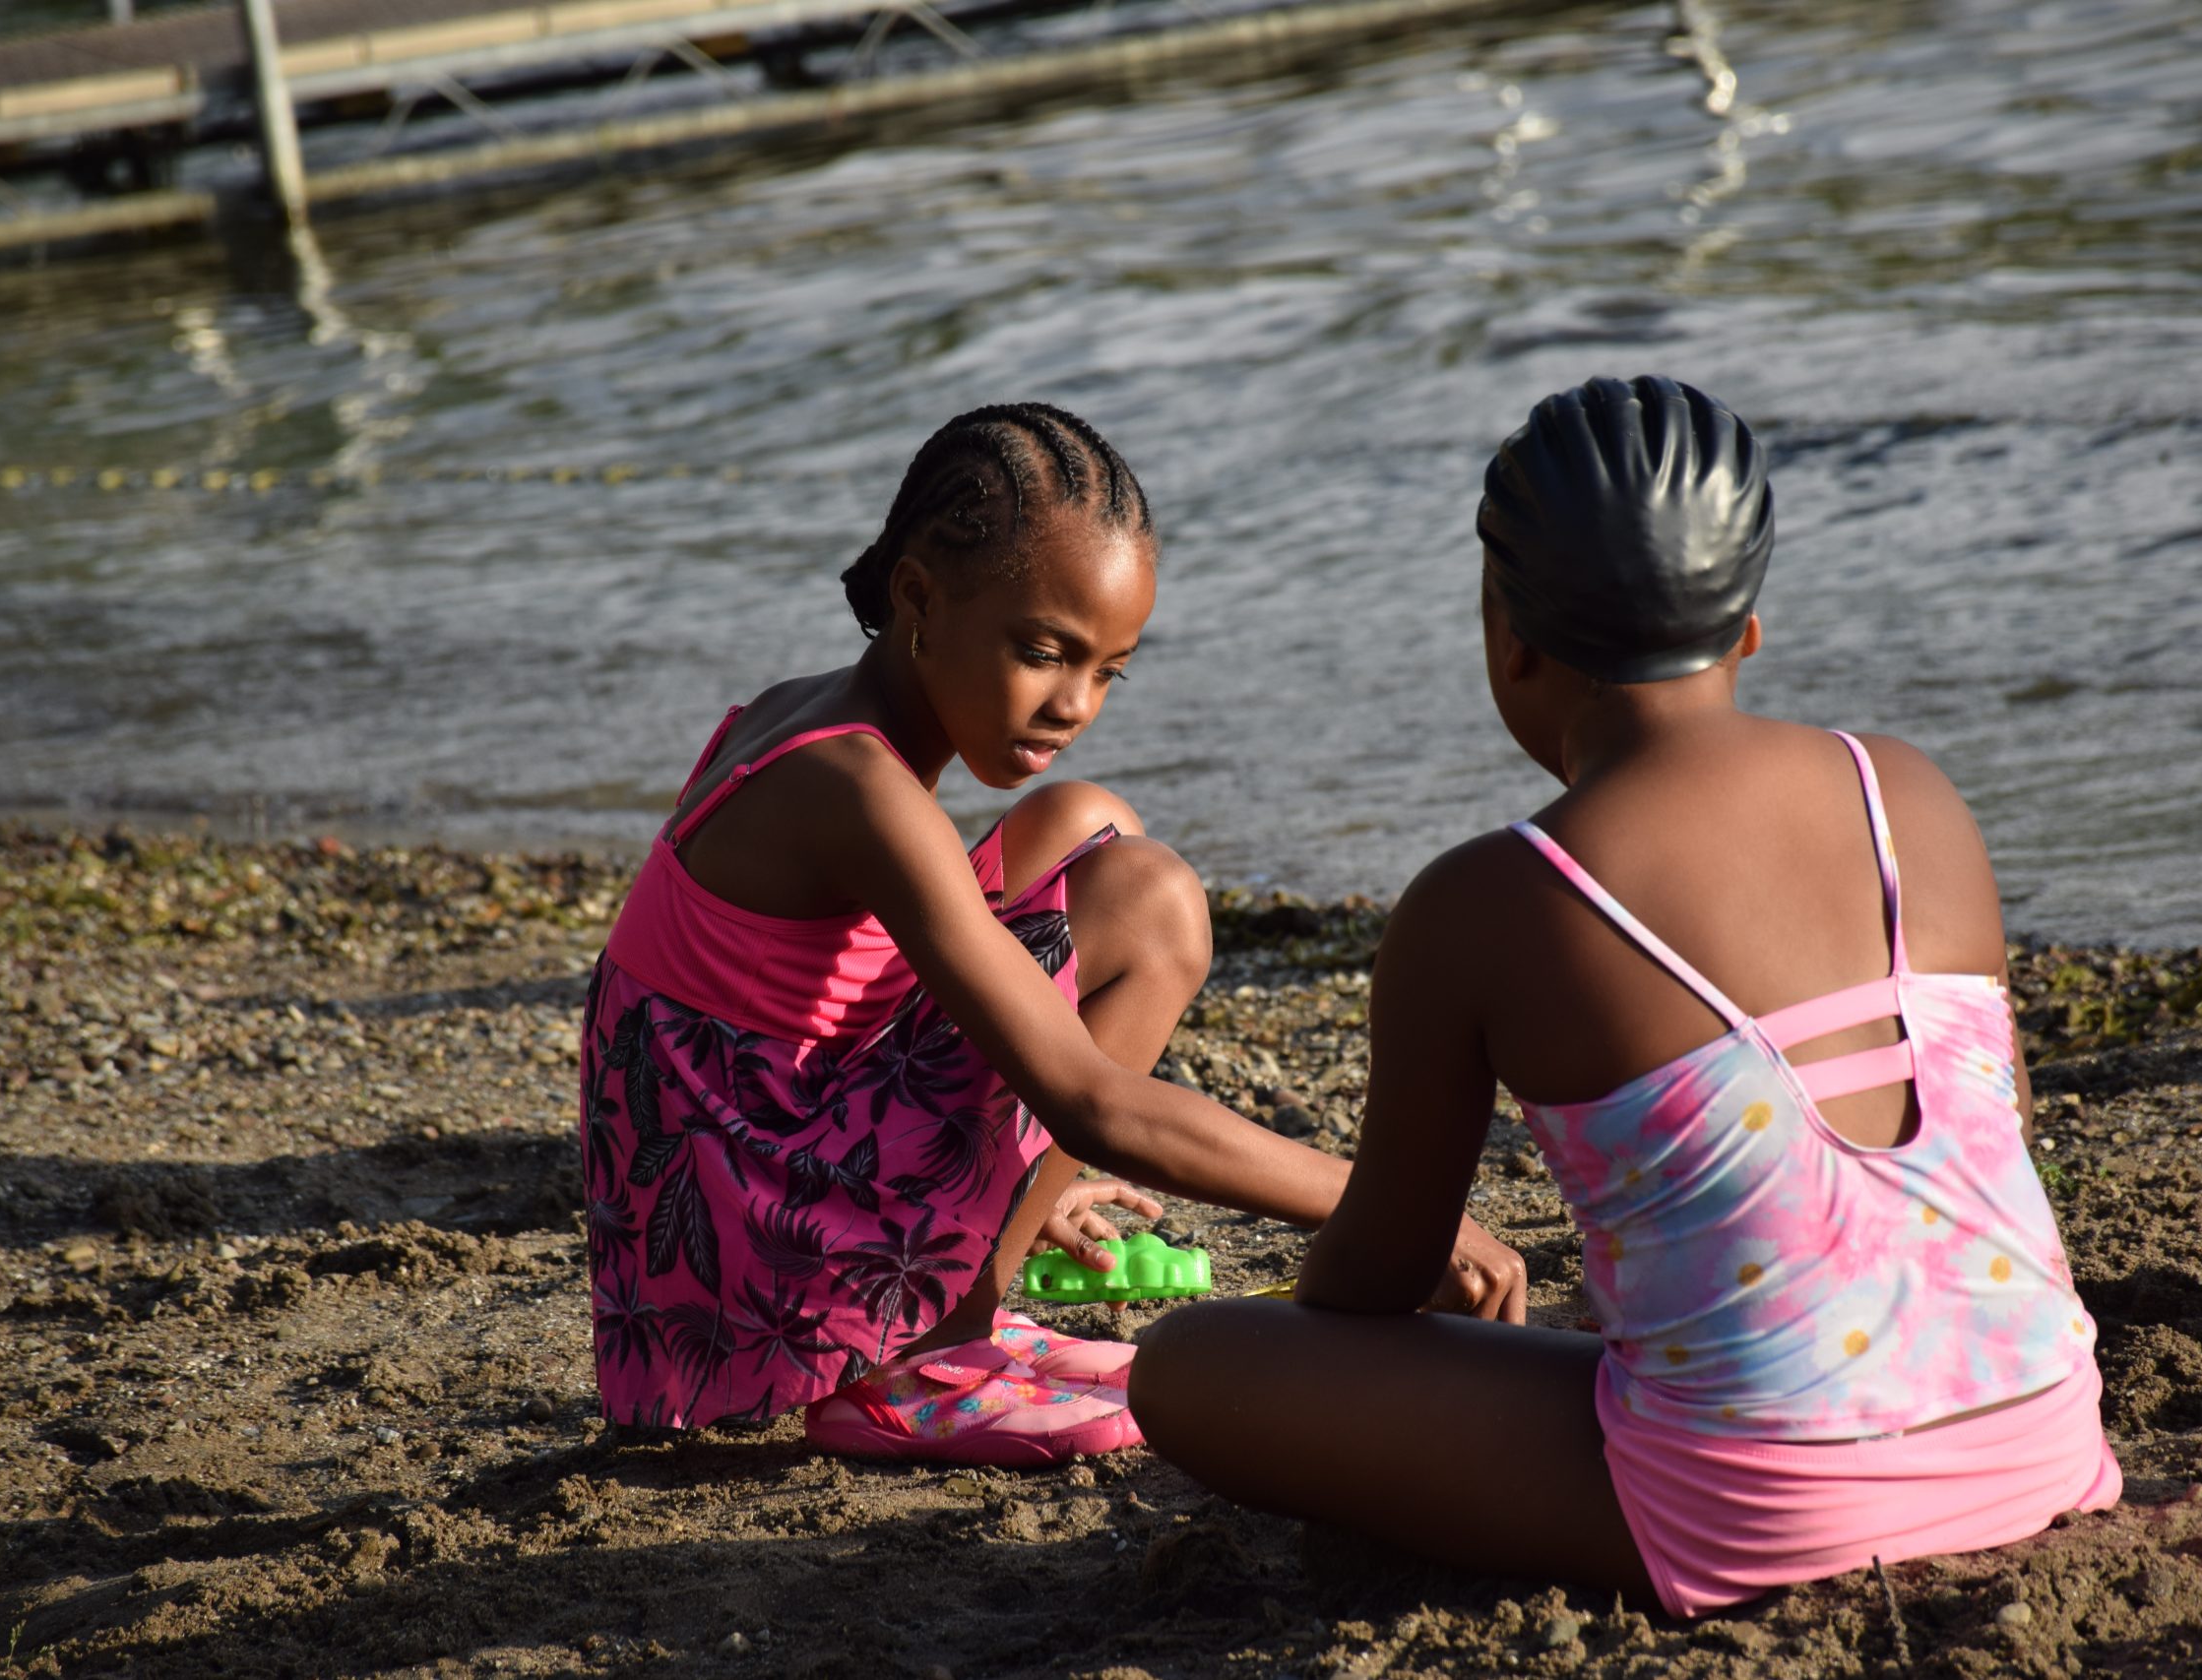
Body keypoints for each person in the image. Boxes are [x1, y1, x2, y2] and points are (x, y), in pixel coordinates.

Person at [1129, 376, 2121, 1615]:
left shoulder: (1493, 897)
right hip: (2043, 1437)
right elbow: (1998, 1138)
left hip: (1772, 1504)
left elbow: (1376, 1278)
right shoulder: (1906, 796)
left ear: (1510, 637)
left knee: (1188, 1363)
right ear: (1749, 623)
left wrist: (1395, 1329)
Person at [578, 403, 1523, 1466]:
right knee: (1150, 903)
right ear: (919, 597)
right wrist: (1406, 1215)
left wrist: (1033, 1175)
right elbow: (1095, 1105)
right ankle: (921, 1350)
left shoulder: (809, 713)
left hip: (741, 1146)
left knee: (1092, 823)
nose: (1074, 703)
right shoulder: (855, 790)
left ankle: (955, 1286)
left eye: (1107, 671)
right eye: (1042, 652)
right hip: (743, 1260)